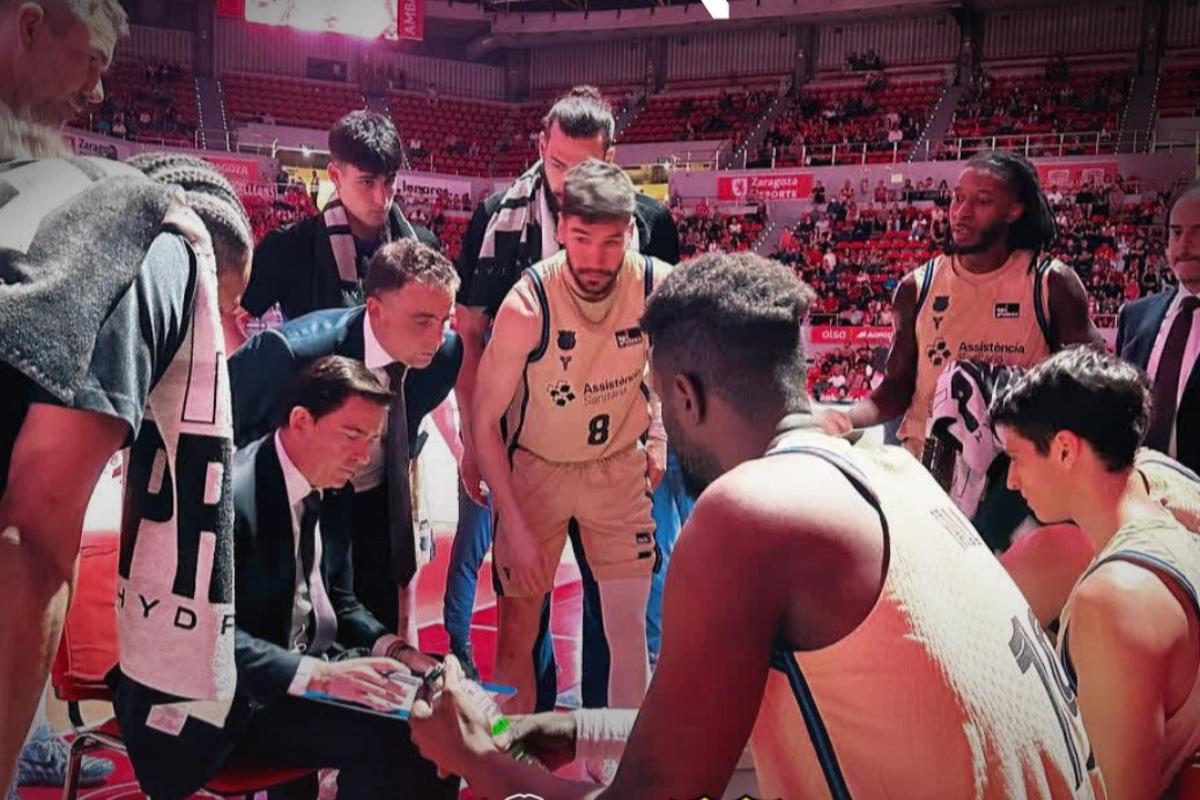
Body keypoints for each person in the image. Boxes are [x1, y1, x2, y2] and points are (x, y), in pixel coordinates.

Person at [409, 252, 1102, 800]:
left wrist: (477, 759)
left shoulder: (753, 511)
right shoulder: (894, 475)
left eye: (659, 402)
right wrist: (572, 729)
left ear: (684, 395)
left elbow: (657, 794)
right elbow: (721, 729)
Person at [0, 149, 254, 792]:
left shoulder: (53, 188)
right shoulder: (165, 251)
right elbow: (30, 542)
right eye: (228, 308)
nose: (227, 339)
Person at [112, 356, 457, 800]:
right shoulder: (229, 499)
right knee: (405, 736)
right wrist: (319, 676)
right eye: (352, 434)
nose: (364, 455)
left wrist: (401, 652)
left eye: (372, 439)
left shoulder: (333, 485)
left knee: (437, 710)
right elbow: (203, 639)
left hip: (299, 674)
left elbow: (342, 601)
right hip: (225, 702)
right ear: (301, 421)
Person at [452, 85, 679, 708]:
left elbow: (670, 365)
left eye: (610, 241)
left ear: (630, 228)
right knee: (519, 633)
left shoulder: (657, 267)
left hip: (615, 465)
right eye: (581, 239)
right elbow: (476, 375)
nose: (595, 257)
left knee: (628, 633)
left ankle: (621, 774)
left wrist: (657, 435)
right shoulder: (521, 282)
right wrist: (502, 497)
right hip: (537, 463)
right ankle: (512, 766)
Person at [818, 150, 1103, 549]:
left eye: (982, 201)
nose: (961, 212)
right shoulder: (917, 286)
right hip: (928, 479)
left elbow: (1093, 384)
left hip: (1016, 491)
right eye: (957, 198)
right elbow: (897, 386)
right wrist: (847, 417)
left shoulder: (1051, 284)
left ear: (1015, 210)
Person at [992, 347, 1200, 799]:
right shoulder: (1168, 528)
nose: (1011, 480)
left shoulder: (1113, 600)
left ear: (1065, 449)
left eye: (1017, 457)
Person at [229, 240, 460, 644]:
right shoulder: (291, 355)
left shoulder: (442, 358)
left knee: (376, 641)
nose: (438, 336)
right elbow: (224, 425)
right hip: (295, 508)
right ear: (375, 310)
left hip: (378, 504)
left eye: (445, 320)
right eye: (423, 320)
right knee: (286, 639)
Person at [239, 110, 437, 326]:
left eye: (389, 181)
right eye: (367, 182)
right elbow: (230, 320)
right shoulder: (287, 247)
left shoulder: (423, 247)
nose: (382, 199)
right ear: (335, 176)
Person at [1116, 181, 1200, 473]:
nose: (1184, 244)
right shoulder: (1135, 316)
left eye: (1198, 231)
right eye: (1176, 233)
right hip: (1139, 490)